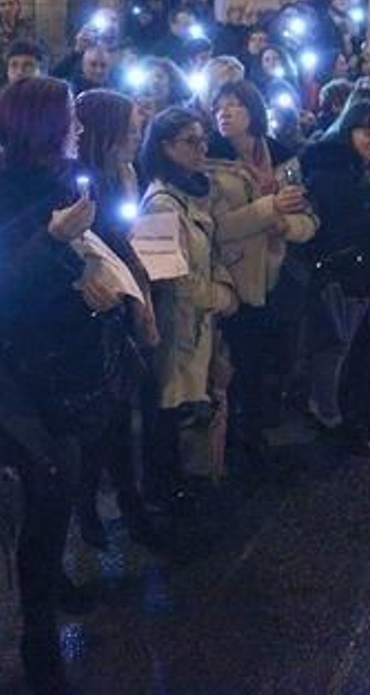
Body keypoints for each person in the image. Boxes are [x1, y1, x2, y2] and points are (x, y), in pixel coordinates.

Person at [0, 76, 143, 693]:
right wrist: (55, 240)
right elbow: (0, 295)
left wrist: (108, 298)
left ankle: (55, 580)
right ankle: (37, 635)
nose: (81, 127)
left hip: (74, 364)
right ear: (42, 124)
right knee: (44, 494)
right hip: (26, 376)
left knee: (59, 491)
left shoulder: (66, 179)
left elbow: (98, 259)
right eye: (71, 117)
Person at [205, 80, 316, 466]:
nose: (225, 112)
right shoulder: (210, 162)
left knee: (275, 358)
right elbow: (219, 227)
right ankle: (237, 440)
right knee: (238, 364)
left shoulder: (282, 156)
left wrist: (288, 227)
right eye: (219, 106)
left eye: (234, 105)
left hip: (279, 273)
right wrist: (270, 208)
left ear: (253, 111)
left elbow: (308, 218)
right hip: (235, 278)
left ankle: (259, 428)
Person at [71, 89, 163, 551]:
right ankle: (90, 508)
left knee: (121, 415)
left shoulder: (125, 173)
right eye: (128, 128)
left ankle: (129, 502)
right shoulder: (84, 184)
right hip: (97, 314)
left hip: (124, 305)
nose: (136, 135)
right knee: (99, 422)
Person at [138, 106, 240, 504]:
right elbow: (173, 278)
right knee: (174, 415)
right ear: (165, 147)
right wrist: (222, 297)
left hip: (194, 326)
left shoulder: (188, 193)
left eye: (203, 139)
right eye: (190, 142)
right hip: (178, 330)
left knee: (190, 410)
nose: (202, 148)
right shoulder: (162, 204)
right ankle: (172, 494)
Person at [299, 99, 370, 453]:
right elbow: (327, 231)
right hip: (342, 278)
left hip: (366, 277)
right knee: (344, 356)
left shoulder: (363, 168)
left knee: (362, 354)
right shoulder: (330, 173)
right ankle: (341, 423)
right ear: (348, 131)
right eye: (367, 132)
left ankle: (361, 421)